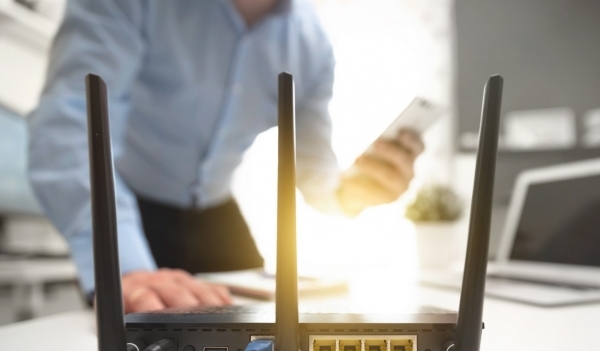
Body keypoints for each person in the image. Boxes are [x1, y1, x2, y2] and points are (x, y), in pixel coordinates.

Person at [28, 0, 424, 314]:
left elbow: (317, 179)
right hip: (128, 211)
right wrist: (125, 267)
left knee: (264, 340)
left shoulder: (313, 46)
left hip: (218, 215)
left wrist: (360, 189)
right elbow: (70, 122)